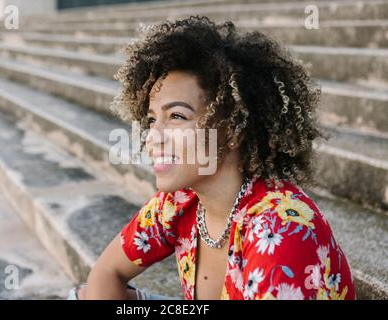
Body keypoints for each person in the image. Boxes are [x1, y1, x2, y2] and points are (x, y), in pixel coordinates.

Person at [70, 15, 355, 300]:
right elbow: (106, 273)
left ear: (233, 131)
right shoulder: (180, 201)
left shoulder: (280, 229)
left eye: (177, 116)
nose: (152, 136)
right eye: (153, 118)